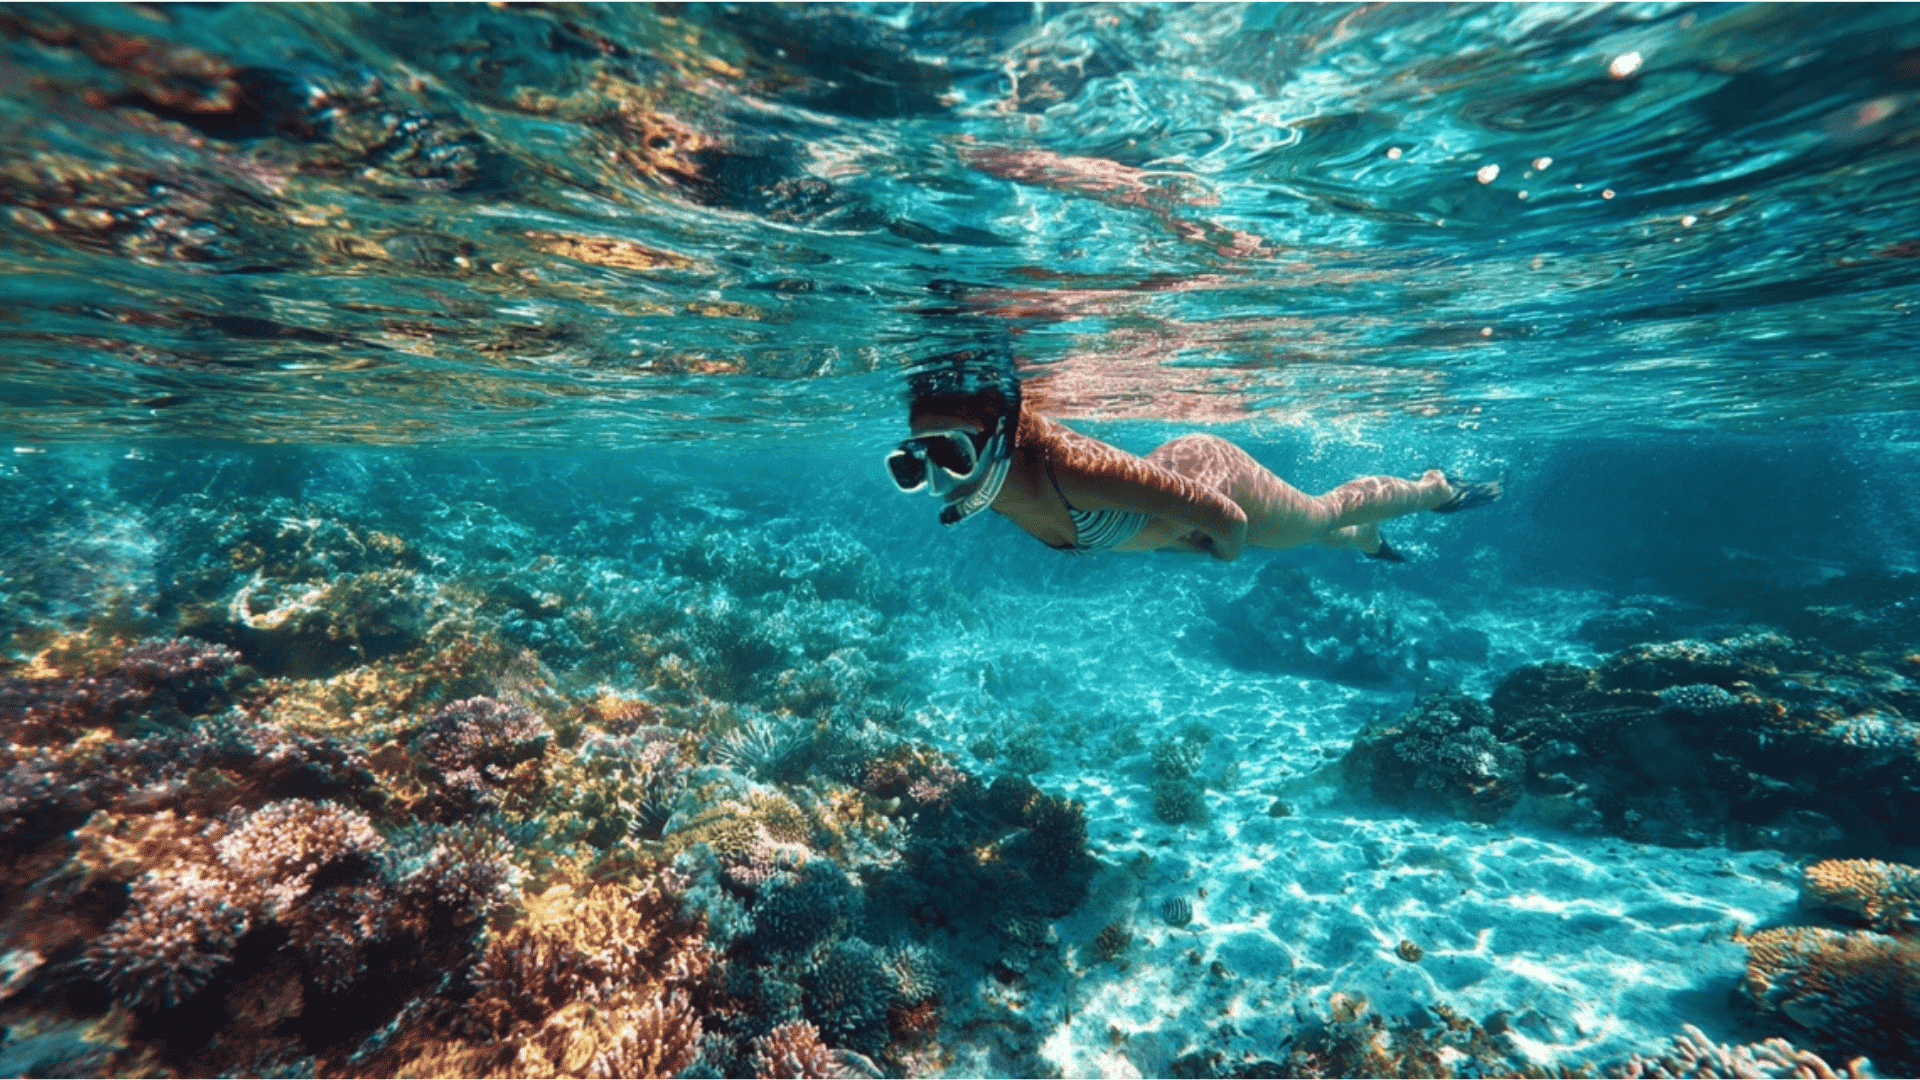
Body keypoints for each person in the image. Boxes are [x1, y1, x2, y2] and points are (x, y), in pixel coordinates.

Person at [884, 364, 1500, 562]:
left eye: (949, 455)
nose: (938, 481)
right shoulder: (987, 478)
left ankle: (1432, 490)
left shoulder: (1069, 467)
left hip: (1214, 482)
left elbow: (1227, 518)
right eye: (913, 464)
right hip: (1169, 510)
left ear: (999, 433)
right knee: (1315, 534)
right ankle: (1365, 540)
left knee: (1316, 515)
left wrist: (1222, 553)